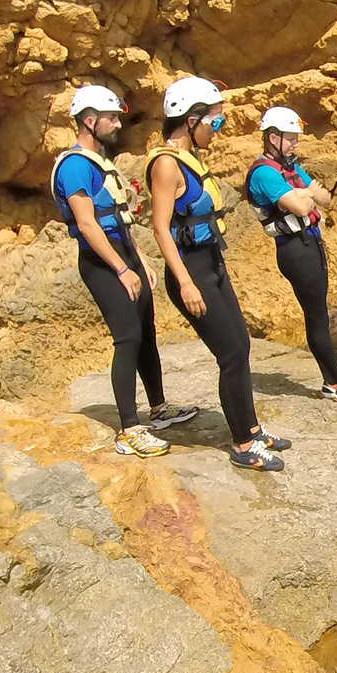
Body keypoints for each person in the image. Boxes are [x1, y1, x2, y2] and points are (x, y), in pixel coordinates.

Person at [146, 76, 291, 472]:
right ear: (192, 119)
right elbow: (161, 228)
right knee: (230, 353)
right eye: (216, 121)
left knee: (240, 346)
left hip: (211, 263)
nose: (219, 130)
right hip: (192, 271)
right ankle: (244, 445)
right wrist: (186, 282)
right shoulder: (165, 164)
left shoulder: (190, 159)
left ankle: (252, 428)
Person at [53, 84, 199, 456]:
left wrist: (140, 261)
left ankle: (159, 407)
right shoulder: (74, 166)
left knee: (146, 333)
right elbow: (88, 224)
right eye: (111, 117)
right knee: (128, 338)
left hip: (124, 254)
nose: (118, 123)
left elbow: (119, 219)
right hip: (102, 262)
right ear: (89, 120)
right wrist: (120, 269)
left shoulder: (98, 162)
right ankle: (129, 429)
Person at [243, 106, 337, 405]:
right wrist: (306, 193)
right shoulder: (265, 173)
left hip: (311, 243)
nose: (295, 144)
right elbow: (304, 207)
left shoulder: (289, 169)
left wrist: (304, 193)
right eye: (290, 138)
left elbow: (325, 198)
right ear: (273, 137)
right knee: (316, 316)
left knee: (320, 315)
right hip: (294, 250)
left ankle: (333, 381)